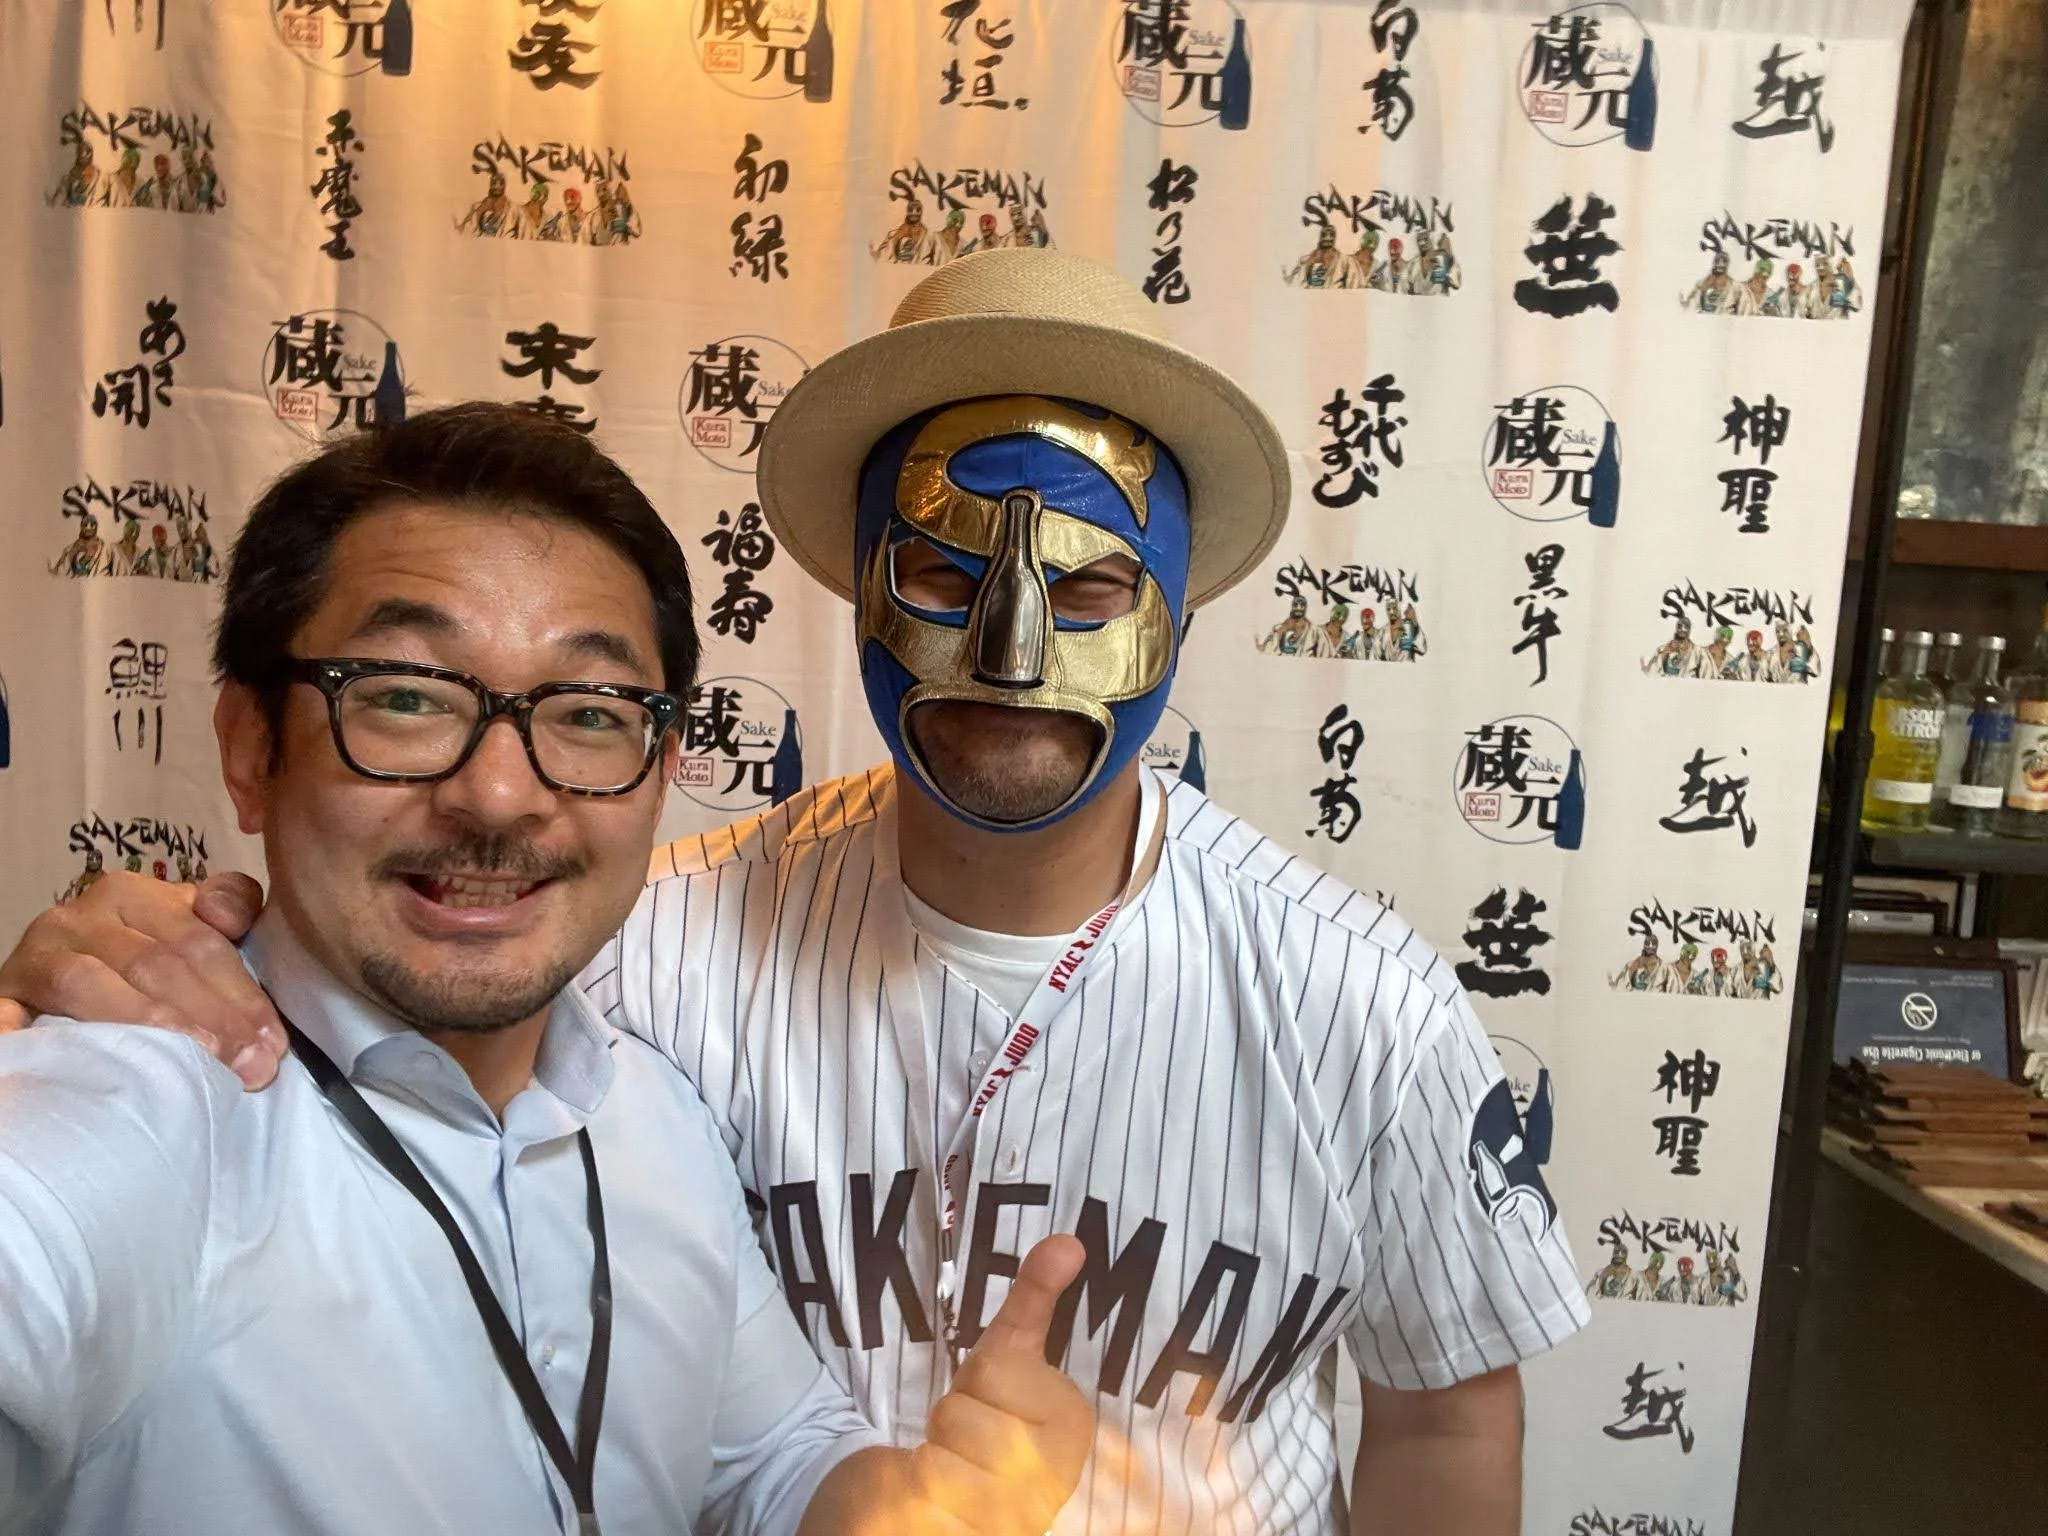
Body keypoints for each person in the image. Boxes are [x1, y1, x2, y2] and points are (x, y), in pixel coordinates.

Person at [2, 252, 1588, 1535]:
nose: (1014, 654)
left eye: (1091, 587)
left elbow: (1444, 1413)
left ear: (1175, 611)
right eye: (949, 576)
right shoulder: (620, 963)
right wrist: (82, 988)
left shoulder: (1363, 995)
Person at [0, 405, 1092, 1536]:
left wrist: (933, 1505)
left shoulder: (649, 1113)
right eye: (408, 696)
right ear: (250, 749)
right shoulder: (140, 1105)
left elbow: (773, 1457)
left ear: (662, 768)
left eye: (588, 713)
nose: (500, 795)